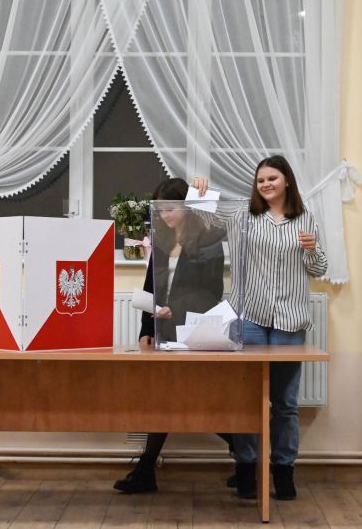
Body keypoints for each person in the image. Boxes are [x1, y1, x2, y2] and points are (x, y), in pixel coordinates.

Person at [192, 155, 327, 501]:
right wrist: (199, 191)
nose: (266, 184)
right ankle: (247, 470)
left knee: (285, 403)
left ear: (287, 181)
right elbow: (203, 216)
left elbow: (319, 268)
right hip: (249, 317)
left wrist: (312, 251)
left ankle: (284, 472)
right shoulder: (243, 215)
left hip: (290, 322)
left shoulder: (306, 218)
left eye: (272, 178)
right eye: (261, 180)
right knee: (247, 399)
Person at [113, 177, 231, 494]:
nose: (165, 215)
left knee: (196, 401)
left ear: (186, 207)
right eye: (160, 210)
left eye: (171, 209)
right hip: (163, 330)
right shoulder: (162, 240)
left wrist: (175, 310)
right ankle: (146, 469)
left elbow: (211, 291)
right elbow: (152, 286)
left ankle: (246, 453)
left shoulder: (206, 240)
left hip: (194, 330)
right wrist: (146, 329)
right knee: (163, 399)